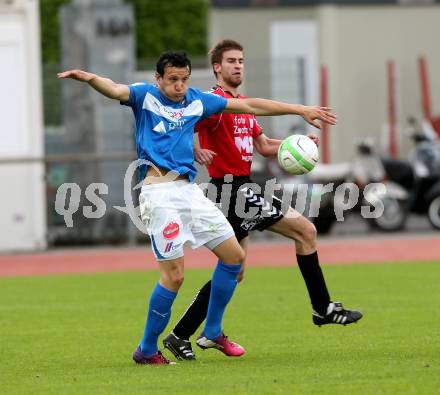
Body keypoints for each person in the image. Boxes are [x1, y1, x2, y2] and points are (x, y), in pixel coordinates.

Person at [58, 51, 337, 365]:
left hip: (189, 192)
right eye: (172, 80)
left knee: (234, 257)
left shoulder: (197, 100)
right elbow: (114, 88)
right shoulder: (144, 96)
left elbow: (250, 105)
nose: (179, 86)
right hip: (158, 194)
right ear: (159, 79)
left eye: (184, 79)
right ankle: (147, 349)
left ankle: (213, 330)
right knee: (175, 276)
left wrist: (300, 109)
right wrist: (90, 78)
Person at [162, 40, 362, 361]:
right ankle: (322, 308)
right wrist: (196, 149)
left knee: (234, 269)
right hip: (231, 188)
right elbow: (182, 126)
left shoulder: (240, 106)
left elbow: (266, 146)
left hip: (239, 188)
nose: (238, 65)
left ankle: (179, 334)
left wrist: (296, 144)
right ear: (217, 67)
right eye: (230, 61)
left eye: (241, 60)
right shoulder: (216, 101)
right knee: (306, 231)